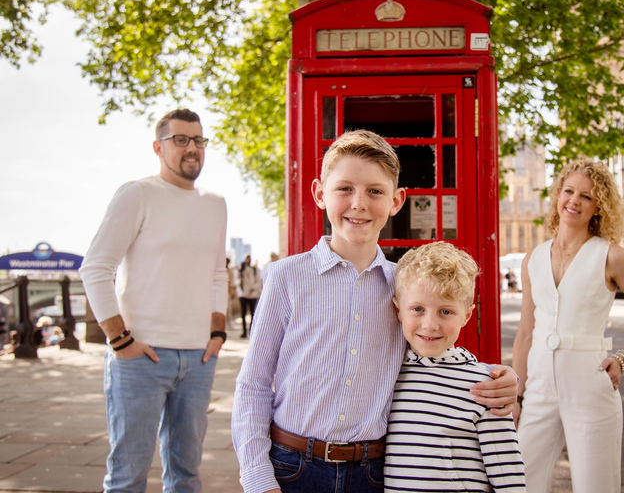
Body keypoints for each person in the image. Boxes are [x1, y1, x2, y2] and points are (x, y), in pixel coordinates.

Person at [232, 129, 518, 493]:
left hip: (373, 473)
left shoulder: (402, 285)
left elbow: (435, 347)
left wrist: (499, 377)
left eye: (375, 191)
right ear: (320, 193)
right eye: (345, 189)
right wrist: (257, 477)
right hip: (291, 467)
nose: (359, 203)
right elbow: (253, 385)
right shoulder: (285, 276)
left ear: (397, 200)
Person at [80, 108, 228, 493]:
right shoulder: (138, 194)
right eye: (180, 140)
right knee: (128, 476)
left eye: (198, 140)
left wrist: (217, 333)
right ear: (158, 147)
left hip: (198, 358)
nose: (191, 148)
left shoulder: (215, 204)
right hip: (139, 359)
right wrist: (119, 340)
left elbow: (217, 273)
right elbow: (95, 268)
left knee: (186, 474)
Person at [511, 158, 624, 493]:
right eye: (569, 191)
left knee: (596, 485)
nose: (574, 201)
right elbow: (525, 332)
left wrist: (623, 358)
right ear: (558, 195)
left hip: (589, 386)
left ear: (598, 207)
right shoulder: (532, 259)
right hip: (538, 388)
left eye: (586, 197)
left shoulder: (612, 256)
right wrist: (517, 396)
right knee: (519, 482)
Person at [384, 241, 526, 492]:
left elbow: (508, 472)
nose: (430, 324)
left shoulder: (486, 385)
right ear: (398, 310)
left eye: (445, 312)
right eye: (417, 309)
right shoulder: (387, 373)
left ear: (467, 315)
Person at [238, 254, 262, 338]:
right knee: (243, 313)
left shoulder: (254, 269)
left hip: (252, 294)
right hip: (243, 294)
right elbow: (237, 280)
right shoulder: (241, 269)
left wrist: (253, 288)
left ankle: (252, 331)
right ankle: (244, 331)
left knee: (253, 313)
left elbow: (258, 280)